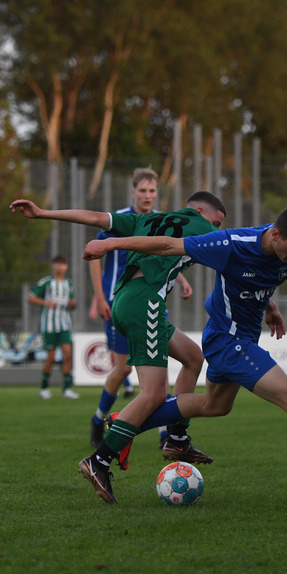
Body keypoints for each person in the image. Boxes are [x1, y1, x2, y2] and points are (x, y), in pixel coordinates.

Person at [81, 205, 287, 506]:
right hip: (227, 341)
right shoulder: (229, 244)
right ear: (275, 235)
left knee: (216, 406)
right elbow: (169, 244)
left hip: (242, 338)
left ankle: (123, 425)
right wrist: (111, 243)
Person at [11, 191, 227, 504]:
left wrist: (43, 212)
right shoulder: (202, 228)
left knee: (193, 357)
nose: (217, 229)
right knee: (152, 394)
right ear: (199, 211)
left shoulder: (148, 219)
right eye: (217, 222)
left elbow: (96, 217)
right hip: (145, 303)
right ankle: (99, 460)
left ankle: (177, 438)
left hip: (124, 300)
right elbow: (235, 250)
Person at [86, 168, 194, 447]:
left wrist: (181, 279)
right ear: (133, 192)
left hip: (153, 302)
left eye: (152, 191)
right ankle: (99, 418)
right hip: (119, 304)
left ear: (157, 193)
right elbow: (96, 254)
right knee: (121, 370)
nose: (147, 195)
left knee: (160, 365)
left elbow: (165, 250)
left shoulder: (160, 220)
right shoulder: (122, 218)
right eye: (143, 190)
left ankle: (164, 434)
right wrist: (98, 297)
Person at [29, 254, 80, 400]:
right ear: (53, 266)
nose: (60, 267)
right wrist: (46, 303)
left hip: (64, 323)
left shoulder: (68, 284)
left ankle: (66, 389)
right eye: (58, 264)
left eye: (63, 264)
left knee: (68, 355)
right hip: (49, 325)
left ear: (66, 267)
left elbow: (72, 302)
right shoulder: (46, 282)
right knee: (51, 358)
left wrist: (73, 304)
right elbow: (31, 297)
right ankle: (44, 387)